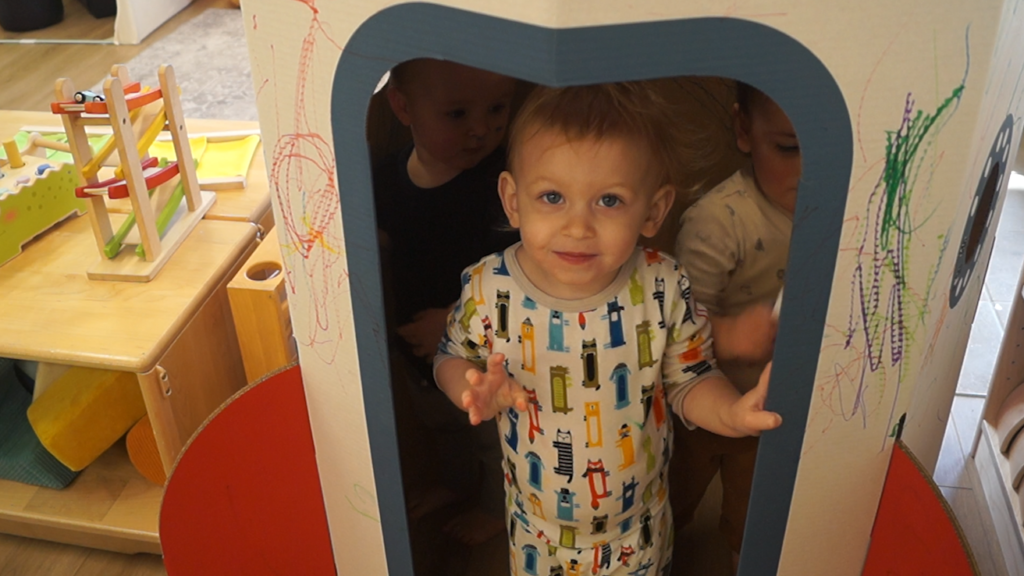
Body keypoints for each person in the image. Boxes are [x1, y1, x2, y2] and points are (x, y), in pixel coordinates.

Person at [433, 82, 782, 575]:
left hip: (638, 531)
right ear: (513, 200)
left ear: (654, 210)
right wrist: (468, 388)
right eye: (552, 196)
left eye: (610, 201)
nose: (578, 226)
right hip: (536, 533)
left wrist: (733, 413)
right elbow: (450, 356)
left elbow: (691, 378)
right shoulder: (490, 287)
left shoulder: (662, 284)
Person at [373, 58, 519, 545]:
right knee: (442, 429)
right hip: (416, 351)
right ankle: (455, 487)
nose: (482, 129)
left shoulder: (501, 186)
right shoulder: (385, 179)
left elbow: (519, 277)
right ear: (402, 106)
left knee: (489, 438)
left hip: (484, 354)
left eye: (497, 108)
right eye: (457, 114)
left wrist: (457, 323)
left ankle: (494, 508)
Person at [670, 82, 799, 571]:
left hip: (770, 409)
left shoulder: (836, 208)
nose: (809, 169)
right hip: (702, 403)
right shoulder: (718, 221)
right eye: (788, 148)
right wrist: (727, 333)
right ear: (744, 129)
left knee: (753, 512)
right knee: (673, 495)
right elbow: (670, 327)